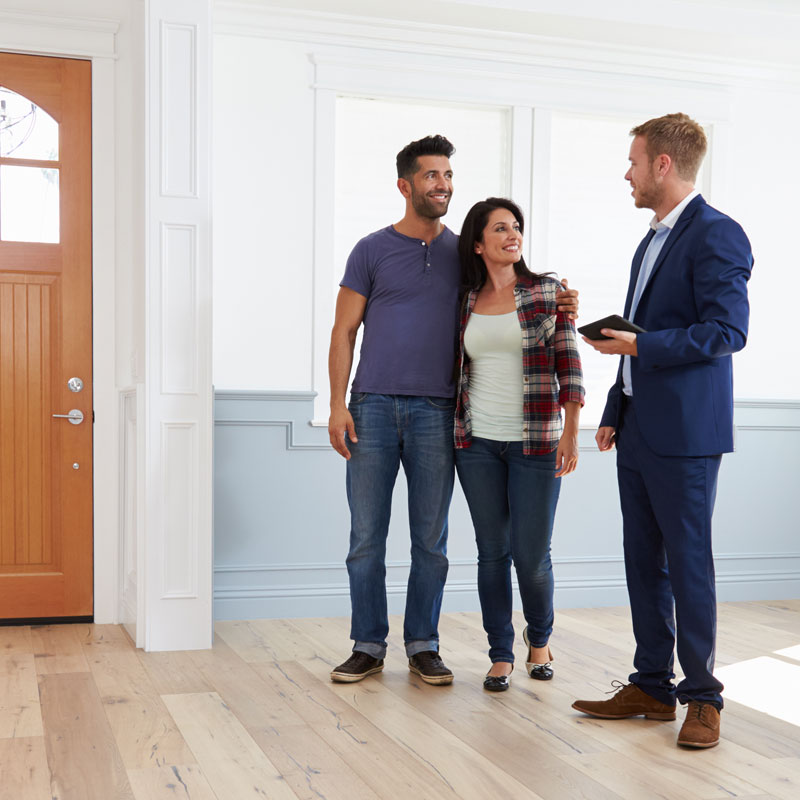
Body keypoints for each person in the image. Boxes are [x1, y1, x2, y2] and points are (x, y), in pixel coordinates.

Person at [327, 135, 580, 685]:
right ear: (405, 185)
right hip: (370, 407)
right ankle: (367, 644)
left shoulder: (463, 254)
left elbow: (513, 295)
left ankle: (423, 645)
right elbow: (344, 330)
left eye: (447, 175)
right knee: (365, 537)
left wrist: (561, 298)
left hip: (439, 412)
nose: (442, 184)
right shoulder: (370, 249)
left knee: (431, 540)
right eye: (431, 176)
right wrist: (336, 405)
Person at [573, 113, 753, 748]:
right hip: (639, 429)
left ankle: (703, 697)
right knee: (642, 562)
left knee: (688, 562)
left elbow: (726, 333)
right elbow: (639, 334)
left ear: (664, 165)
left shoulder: (718, 235)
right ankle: (652, 685)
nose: (627, 172)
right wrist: (615, 411)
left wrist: (638, 350)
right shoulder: (650, 240)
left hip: (686, 434)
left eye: (633, 160)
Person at [454, 198, 584, 692]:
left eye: (517, 228)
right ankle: (501, 653)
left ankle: (541, 640)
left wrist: (570, 433)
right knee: (492, 552)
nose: (513, 235)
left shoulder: (547, 292)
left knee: (531, 556)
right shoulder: (464, 299)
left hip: (535, 442)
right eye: (501, 228)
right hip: (476, 443)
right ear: (479, 242)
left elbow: (569, 367)